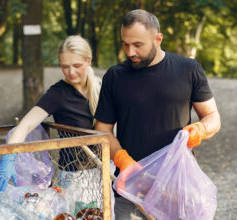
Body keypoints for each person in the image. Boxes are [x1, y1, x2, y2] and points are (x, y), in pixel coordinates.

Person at [94, 9, 221, 219]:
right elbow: (102, 129)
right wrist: (122, 160)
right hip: (131, 189)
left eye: (138, 45)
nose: (130, 52)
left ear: (158, 39)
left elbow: (212, 117)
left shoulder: (188, 69)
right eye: (125, 44)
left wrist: (200, 129)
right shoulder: (114, 76)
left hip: (177, 187)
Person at [0, 35, 105, 208]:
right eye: (65, 67)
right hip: (74, 178)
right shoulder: (57, 94)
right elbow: (26, 125)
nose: (71, 72)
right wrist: (9, 156)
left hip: (103, 171)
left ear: (88, 60)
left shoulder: (101, 87)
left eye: (77, 66)